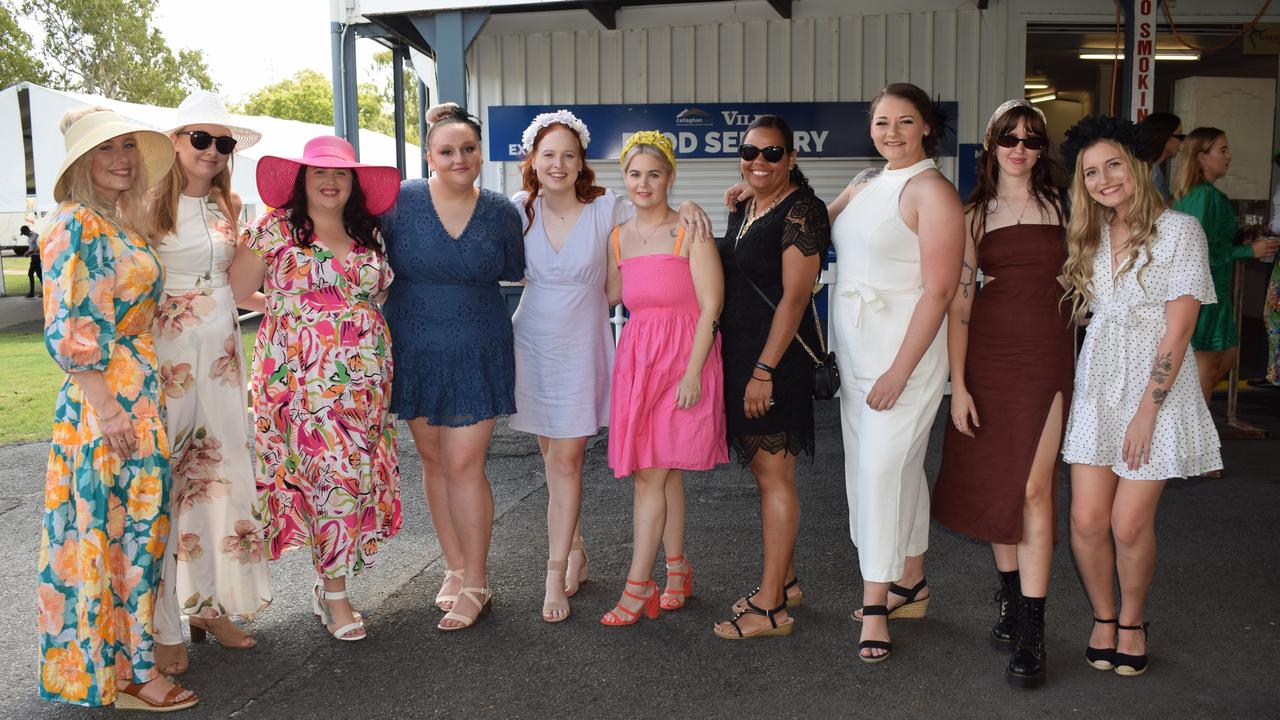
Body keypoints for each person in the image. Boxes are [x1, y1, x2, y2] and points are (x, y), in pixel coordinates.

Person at [490, 108, 713, 622]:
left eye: (569, 154)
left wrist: (693, 204)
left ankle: (552, 575)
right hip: (533, 342)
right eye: (549, 154)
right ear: (532, 159)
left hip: (583, 342)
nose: (559, 163)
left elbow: (653, 206)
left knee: (567, 461)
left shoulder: (606, 206)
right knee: (551, 460)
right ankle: (575, 547)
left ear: (582, 161)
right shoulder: (515, 209)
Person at [37, 107, 198, 710]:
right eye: (108, 149)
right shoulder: (75, 225)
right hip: (104, 402)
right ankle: (130, 673)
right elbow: (70, 328)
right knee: (121, 534)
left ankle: (127, 666)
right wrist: (107, 408)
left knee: (136, 534)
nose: (123, 158)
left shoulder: (118, 227)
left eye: (129, 146)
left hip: (135, 393)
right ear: (83, 162)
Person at [1059, 115, 1223, 678]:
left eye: (1112, 165)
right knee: (1085, 519)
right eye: (1090, 172)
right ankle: (1102, 617)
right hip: (1098, 386)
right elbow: (1097, 312)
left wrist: (1146, 414)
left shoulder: (1180, 231)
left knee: (1128, 523)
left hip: (1157, 392)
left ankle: (1132, 619)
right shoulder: (1091, 235)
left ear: (1136, 165)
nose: (1104, 179)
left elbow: (1179, 331)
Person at [230, 135, 402, 642]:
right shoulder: (274, 229)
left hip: (365, 379)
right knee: (330, 475)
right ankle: (335, 595)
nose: (330, 182)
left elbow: (379, 290)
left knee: (350, 474)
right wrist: (293, 310)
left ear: (354, 183)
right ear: (301, 180)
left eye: (341, 174)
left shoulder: (367, 230)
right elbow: (240, 291)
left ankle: (329, 583)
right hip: (299, 377)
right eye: (319, 173)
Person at [930, 99, 1072, 687]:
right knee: (997, 484)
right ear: (991, 144)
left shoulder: (1066, 204)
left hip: (1047, 356)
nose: (1020, 147)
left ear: (1042, 148)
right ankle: (1012, 599)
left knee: (1035, 487)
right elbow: (959, 307)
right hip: (987, 358)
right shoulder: (971, 217)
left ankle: (1033, 630)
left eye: (1032, 139)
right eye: (1009, 137)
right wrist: (958, 385)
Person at [828, 83, 964, 662]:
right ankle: (911, 580)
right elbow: (808, 223)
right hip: (858, 351)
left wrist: (899, 373)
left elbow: (938, 290)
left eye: (905, 122)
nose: (891, 133)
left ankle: (877, 602)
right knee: (883, 471)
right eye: (882, 122)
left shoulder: (933, 191)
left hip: (901, 355)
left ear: (927, 127)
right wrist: (752, 194)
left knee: (881, 473)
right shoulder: (866, 184)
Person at [380, 106, 524, 631]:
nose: (459, 158)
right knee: (434, 460)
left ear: (480, 153)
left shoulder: (502, 211)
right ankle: (455, 564)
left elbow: (516, 267)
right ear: (429, 156)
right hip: (413, 344)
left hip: (478, 345)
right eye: (447, 150)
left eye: (468, 149)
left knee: (465, 463)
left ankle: (478, 582)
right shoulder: (399, 202)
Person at [147, 90, 272, 675]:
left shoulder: (232, 203)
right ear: (175, 142)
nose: (213, 151)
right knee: (169, 480)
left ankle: (209, 606)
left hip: (222, 349)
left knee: (219, 477)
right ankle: (162, 617)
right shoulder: (145, 203)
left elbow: (244, 284)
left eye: (222, 143)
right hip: (168, 350)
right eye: (201, 138)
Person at [712, 115, 831, 640]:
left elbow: (795, 297)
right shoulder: (747, 205)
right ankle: (785, 579)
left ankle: (771, 608)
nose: (759, 161)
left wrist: (764, 370)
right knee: (766, 476)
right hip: (741, 354)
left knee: (775, 479)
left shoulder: (802, 210)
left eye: (773, 153)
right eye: (750, 152)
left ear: (792, 158)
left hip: (772, 362)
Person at [602, 131, 726, 626]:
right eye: (635, 174)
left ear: (670, 178)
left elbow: (712, 304)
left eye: (654, 174)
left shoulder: (689, 229)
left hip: (682, 357)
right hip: (638, 359)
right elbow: (611, 296)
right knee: (662, 467)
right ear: (624, 181)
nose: (644, 183)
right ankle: (677, 570)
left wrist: (694, 372)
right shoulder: (618, 237)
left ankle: (637, 586)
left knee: (650, 474)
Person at [1171, 128, 1279, 424]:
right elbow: (1198, 254)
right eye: (1223, 149)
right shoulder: (1204, 197)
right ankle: (1193, 448)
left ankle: (1183, 437)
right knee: (1204, 372)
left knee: (1222, 360)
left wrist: (1243, 241)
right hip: (1204, 297)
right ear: (1202, 157)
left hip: (1212, 294)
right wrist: (1248, 252)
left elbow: (1208, 244)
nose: (1229, 156)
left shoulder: (1202, 196)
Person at [1139, 112, 1182, 204]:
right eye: (1179, 135)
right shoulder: (1151, 172)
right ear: (1165, 136)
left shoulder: (1150, 168)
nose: (1181, 141)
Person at [21, 225, 41, 297]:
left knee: (39, 274)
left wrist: (30, 253)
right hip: (33, 257)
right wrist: (27, 252)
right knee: (31, 274)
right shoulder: (29, 238)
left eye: (24, 233)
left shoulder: (35, 236)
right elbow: (31, 248)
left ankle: (36, 292)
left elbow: (39, 247)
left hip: (37, 257)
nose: (24, 235)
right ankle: (32, 293)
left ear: (27, 230)